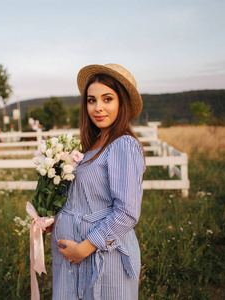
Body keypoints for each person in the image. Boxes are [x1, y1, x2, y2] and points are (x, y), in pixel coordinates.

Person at [51, 64, 146, 299]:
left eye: (107, 99)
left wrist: (83, 248)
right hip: (75, 258)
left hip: (103, 256)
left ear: (121, 103)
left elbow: (127, 211)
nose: (98, 108)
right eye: (91, 100)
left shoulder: (122, 145)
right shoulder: (92, 146)